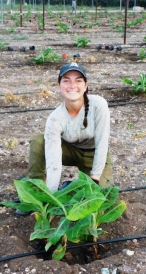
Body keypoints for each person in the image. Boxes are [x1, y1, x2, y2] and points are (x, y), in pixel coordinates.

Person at [28, 62, 114, 193]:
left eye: (78, 81)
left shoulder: (98, 105)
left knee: (101, 197)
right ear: (59, 86)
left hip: (93, 153)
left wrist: (95, 178)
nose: (72, 86)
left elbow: (102, 142)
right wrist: (51, 195)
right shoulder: (55, 118)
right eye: (66, 81)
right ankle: (36, 188)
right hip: (69, 151)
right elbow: (54, 161)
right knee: (38, 141)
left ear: (86, 86)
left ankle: (69, 186)